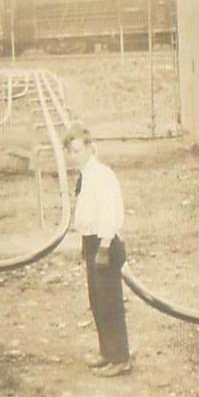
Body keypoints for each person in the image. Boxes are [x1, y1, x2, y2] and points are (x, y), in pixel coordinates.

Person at [63, 126, 131, 377]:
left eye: (79, 150)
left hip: (105, 243)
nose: (75, 156)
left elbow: (110, 211)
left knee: (110, 302)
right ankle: (107, 353)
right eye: (71, 152)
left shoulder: (102, 175)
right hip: (91, 241)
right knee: (97, 301)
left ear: (91, 148)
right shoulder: (86, 175)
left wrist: (103, 247)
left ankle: (121, 358)